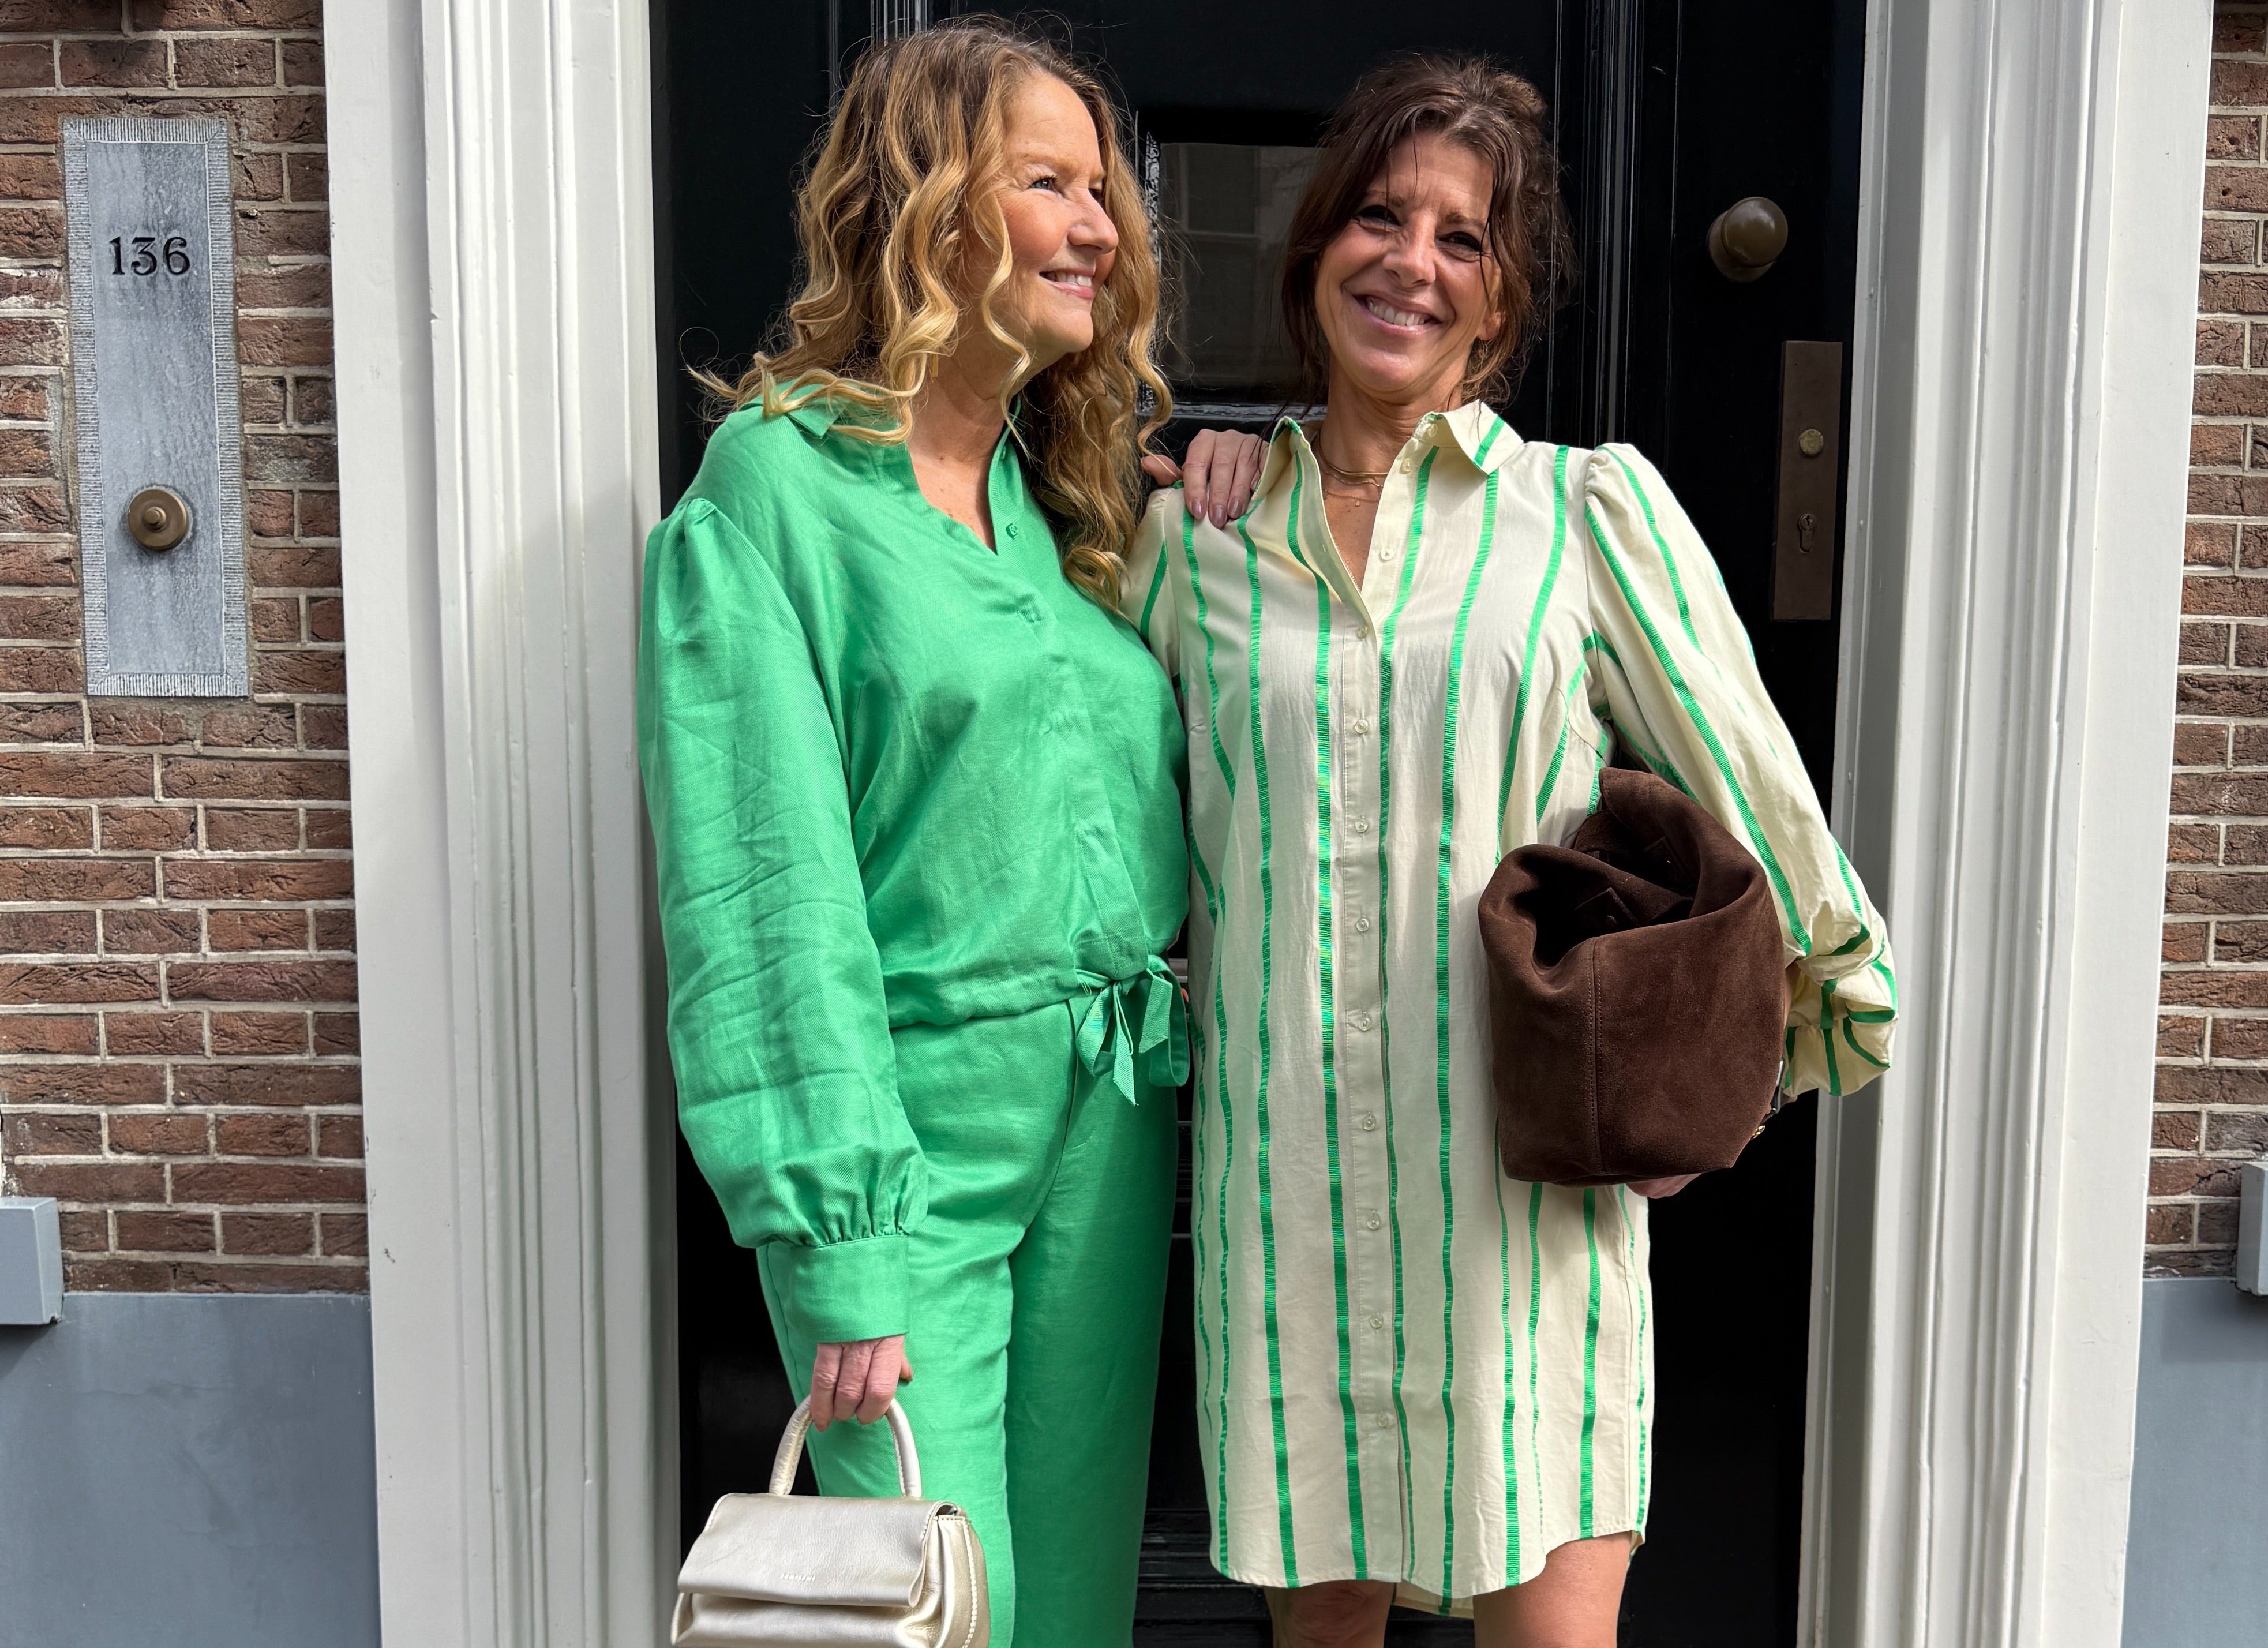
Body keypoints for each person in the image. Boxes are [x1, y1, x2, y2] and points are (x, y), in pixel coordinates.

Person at [1124, 56, 1898, 1646]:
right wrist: (1203, 448)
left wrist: (1743, 1074)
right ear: (1315, 251)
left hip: (1520, 1212)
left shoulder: (1581, 515)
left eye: (1461, 238)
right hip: (1291, 1204)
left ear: (1497, 303)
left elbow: (1765, 814)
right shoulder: (1192, 545)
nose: (1410, 261)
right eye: (1378, 217)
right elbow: (1119, 849)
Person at [638, 21, 1259, 1647]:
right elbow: (761, 895)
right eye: (1049, 183)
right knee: (932, 1608)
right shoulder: (774, 493)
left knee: (1066, 1603)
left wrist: (1237, 489)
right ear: (927, 206)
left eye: (1103, 190)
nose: (1100, 225)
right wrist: (837, 1236)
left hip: (1109, 1116)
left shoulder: (1069, 503)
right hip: (908, 1146)